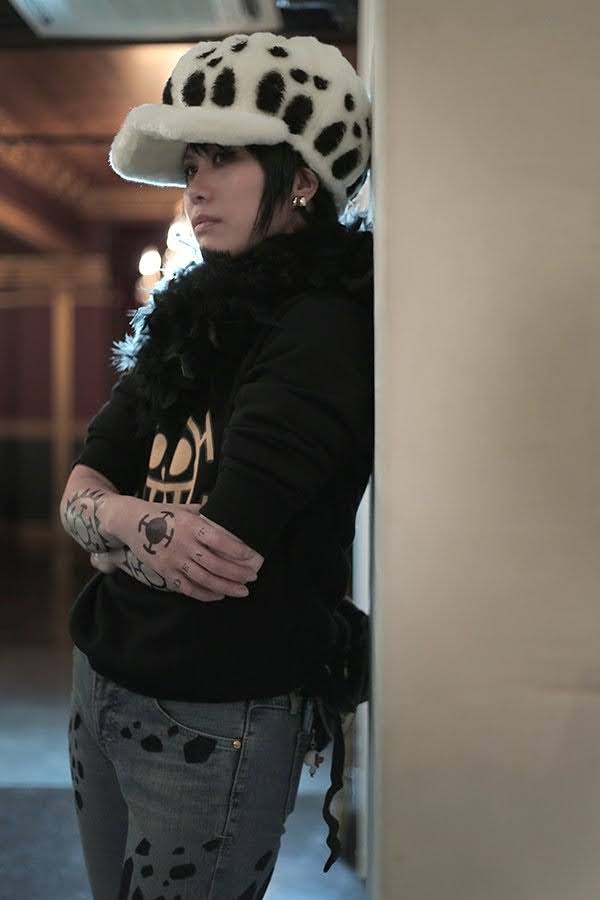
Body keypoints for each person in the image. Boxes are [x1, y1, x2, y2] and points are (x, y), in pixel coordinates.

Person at [60, 30, 374, 900]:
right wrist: (133, 522)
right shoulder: (185, 316)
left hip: (214, 711)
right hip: (101, 680)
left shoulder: (322, 327)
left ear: (301, 176)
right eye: (191, 163)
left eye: (223, 160)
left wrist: (110, 528)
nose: (195, 187)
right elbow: (83, 483)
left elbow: (220, 552)